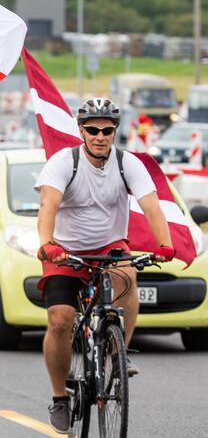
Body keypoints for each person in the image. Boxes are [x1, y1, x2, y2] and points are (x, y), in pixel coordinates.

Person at [35, 98, 175, 434]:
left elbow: (152, 206)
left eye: (107, 130)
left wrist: (165, 243)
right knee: (60, 321)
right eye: (93, 129)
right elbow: (48, 205)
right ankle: (59, 398)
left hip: (110, 245)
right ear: (81, 131)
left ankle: (119, 351)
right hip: (65, 251)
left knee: (127, 273)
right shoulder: (63, 163)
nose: (100, 136)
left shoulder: (128, 164)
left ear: (115, 132)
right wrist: (46, 243)